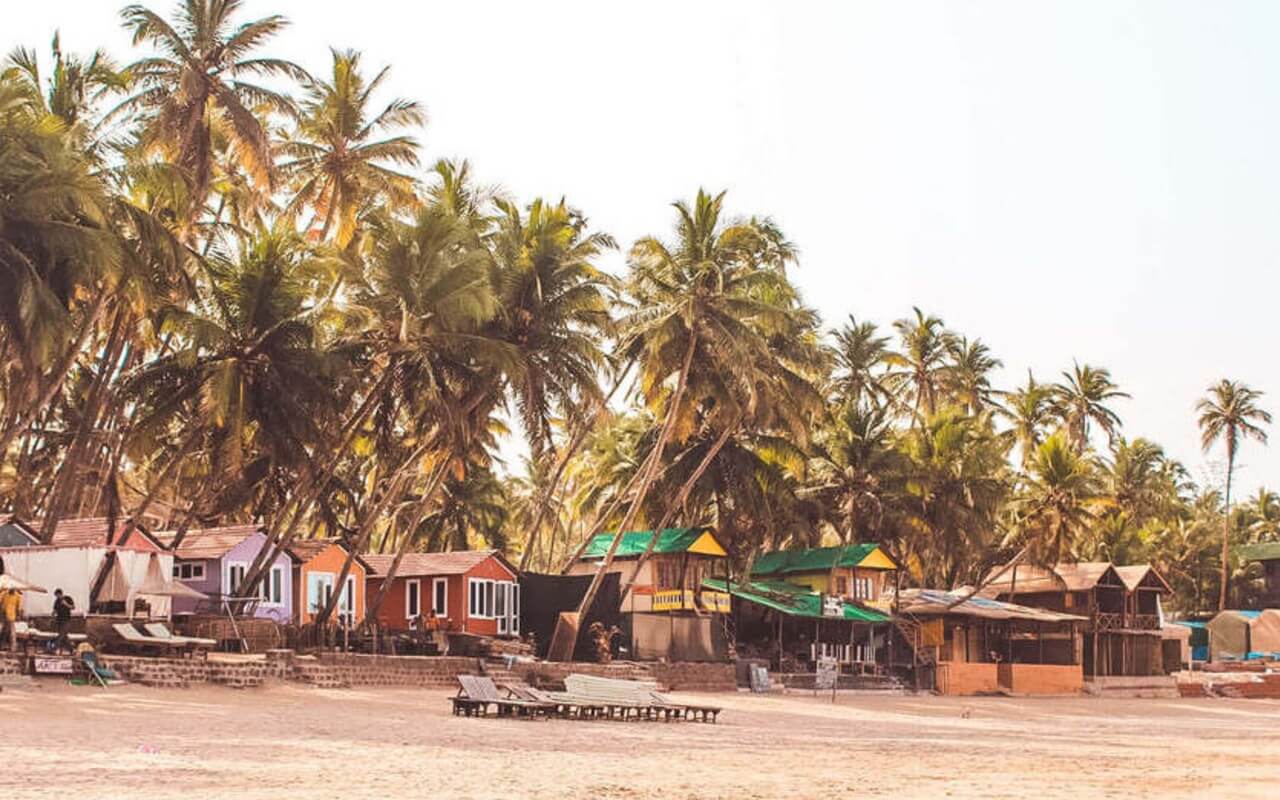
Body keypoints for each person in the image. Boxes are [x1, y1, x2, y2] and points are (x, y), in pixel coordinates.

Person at [0, 586, 22, 652]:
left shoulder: (18, 596)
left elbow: (19, 607)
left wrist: (19, 615)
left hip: (12, 616)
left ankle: (13, 647)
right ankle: (2, 646)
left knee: (12, 632)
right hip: (4, 615)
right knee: (4, 632)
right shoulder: (4, 594)